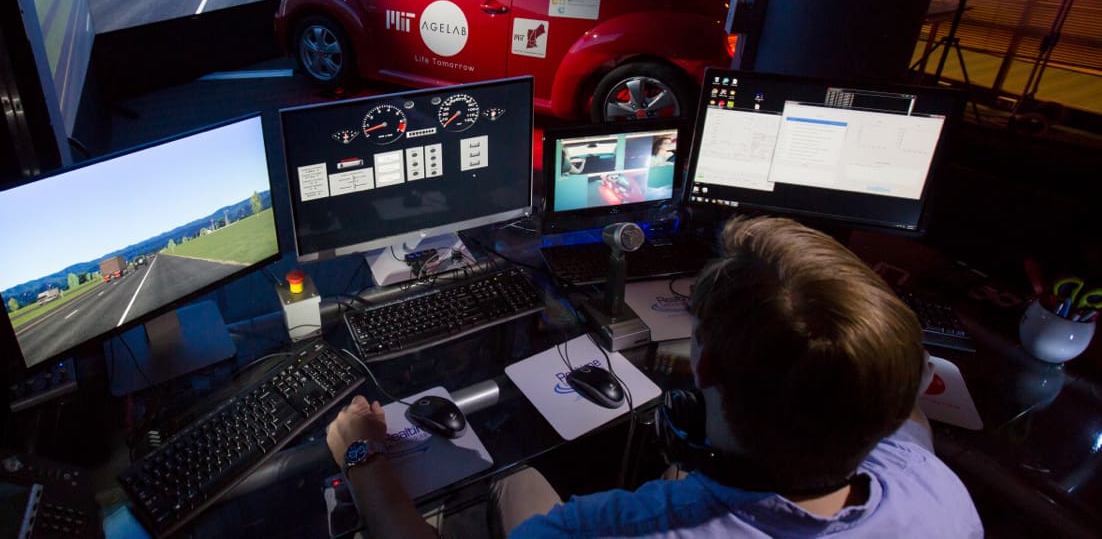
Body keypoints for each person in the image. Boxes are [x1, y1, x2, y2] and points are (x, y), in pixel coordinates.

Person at [325, 216, 983, 537]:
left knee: (512, 476)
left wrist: (360, 456)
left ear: (702, 371)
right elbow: (906, 414)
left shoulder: (616, 528)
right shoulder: (940, 492)